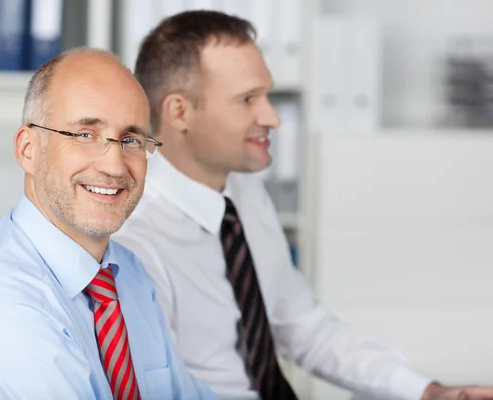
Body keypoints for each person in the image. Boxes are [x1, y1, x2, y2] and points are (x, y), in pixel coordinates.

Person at [113, 10, 493, 400]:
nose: (273, 117)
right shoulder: (135, 239)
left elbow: (303, 328)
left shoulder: (243, 191)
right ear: (180, 112)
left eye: (267, 95)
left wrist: (428, 391)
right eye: (247, 100)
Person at [0, 48, 217, 400]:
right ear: (28, 149)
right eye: (85, 134)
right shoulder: (4, 315)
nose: (114, 166)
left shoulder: (127, 273)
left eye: (130, 140)